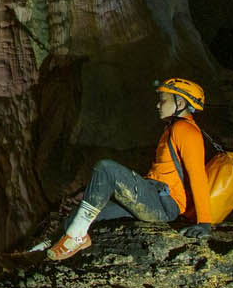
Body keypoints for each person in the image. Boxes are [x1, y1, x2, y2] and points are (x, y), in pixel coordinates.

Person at [47, 77, 213, 261]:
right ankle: (47, 246)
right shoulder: (172, 128)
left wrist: (204, 222)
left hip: (165, 204)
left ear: (180, 102)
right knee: (82, 213)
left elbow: (198, 175)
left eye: (163, 100)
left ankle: (75, 238)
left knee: (105, 168)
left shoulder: (186, 130)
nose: (158, 105)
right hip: (153, 195)